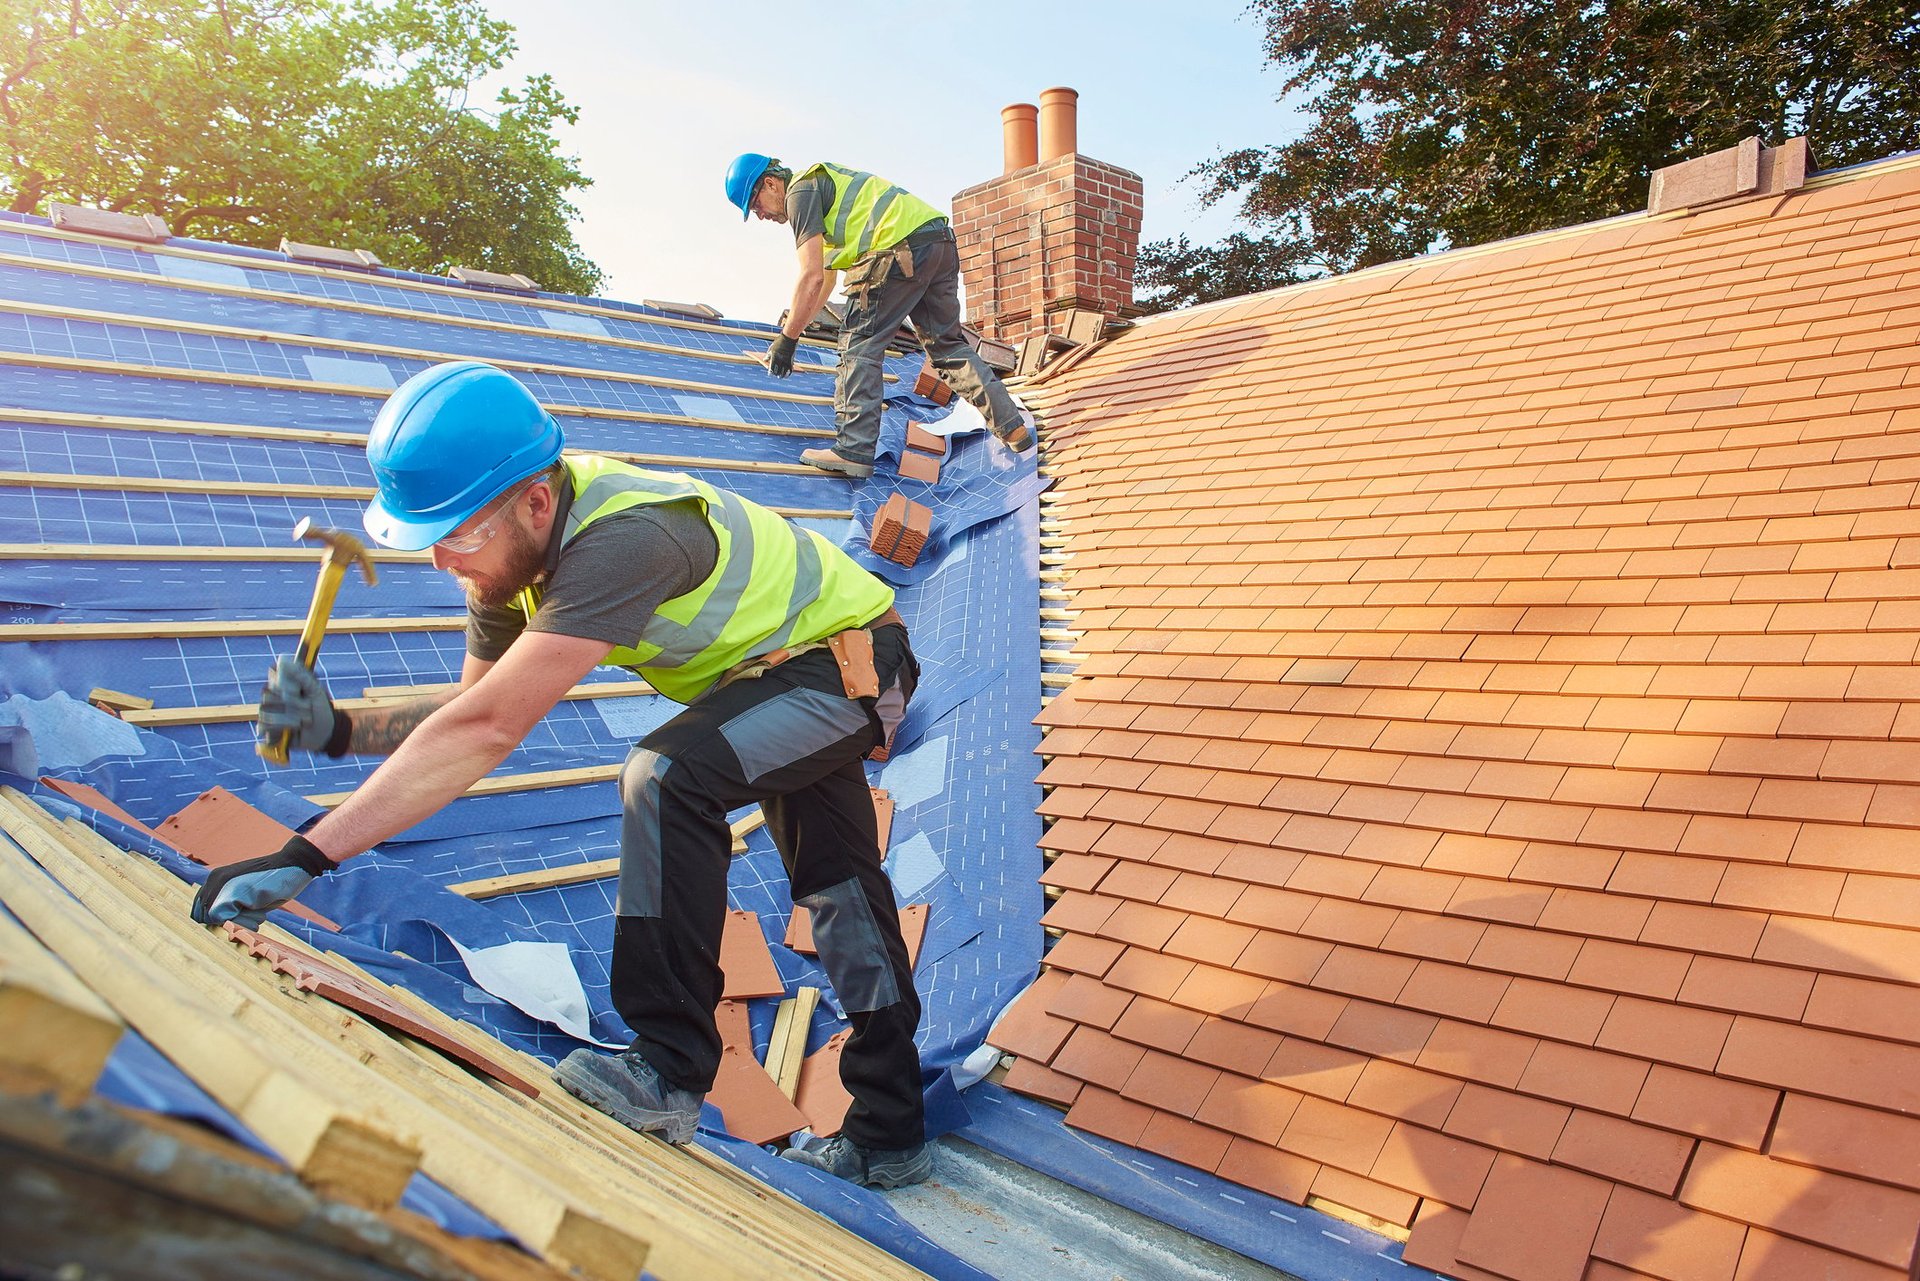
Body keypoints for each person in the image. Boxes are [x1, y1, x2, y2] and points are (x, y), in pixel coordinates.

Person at [191, 360, 932, 1189]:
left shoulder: (625, 539)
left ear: (536, 502)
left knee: (666, 776)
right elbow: (472, 712)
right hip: (776, 677)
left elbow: (484, 731)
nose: (442, 559)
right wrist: (340, 730)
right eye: (427, 537)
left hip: (852, 663)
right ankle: (891, 1130)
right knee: (839, 891)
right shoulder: (505, 561)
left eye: (458, 534)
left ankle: (667, 1068)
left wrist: (306, 855)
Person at [724, 153, 1033, 479]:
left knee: (859, 344)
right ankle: (1013, 428)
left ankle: (853, 449)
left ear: (771, 183)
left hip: (896, 250)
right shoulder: (826, 196)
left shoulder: (800, 193)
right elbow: (824, 281)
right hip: (938, 242)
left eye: (755, 204)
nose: (759, 216)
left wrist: (785, 341)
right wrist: (794, 334)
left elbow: (810, 275)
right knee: (947, 348)